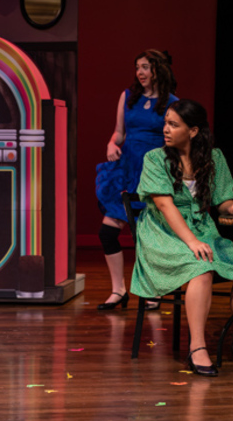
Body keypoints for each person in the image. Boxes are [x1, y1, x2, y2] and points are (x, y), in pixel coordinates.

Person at [130, 99, 233, 376]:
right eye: (166, 124)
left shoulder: (213, 157)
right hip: (163, 233)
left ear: (193, 131)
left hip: (202, 229)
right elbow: (164, 206)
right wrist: (191, 242)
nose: (166, 130)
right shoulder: (155, 158)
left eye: (174, 124)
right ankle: (197, 348)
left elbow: (222, 202)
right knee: (202, 268)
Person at [95, 50, 178, 311]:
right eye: (137, 67)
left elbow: (174, 140)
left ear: (158, 70)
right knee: (107, 231)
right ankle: (118, 290)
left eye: (145, 67)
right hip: (126, 170)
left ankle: (153, 289)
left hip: (152, 172)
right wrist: (111, 143)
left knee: (148, 236)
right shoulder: (128, 97)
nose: (140, 73)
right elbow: (119, 132)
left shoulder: (172, 103)